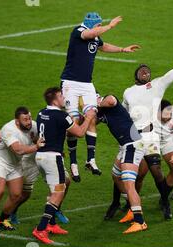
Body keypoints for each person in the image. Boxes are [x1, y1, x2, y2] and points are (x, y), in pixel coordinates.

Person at [60, 12, 140, 182]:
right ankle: (73, 163)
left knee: (91, 116)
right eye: (98, 26)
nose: (98, 30)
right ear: (92, 25)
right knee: (73, 121)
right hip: (71, 84)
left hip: (87, 84)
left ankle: (91, 159)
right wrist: (110, 26)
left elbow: (103, 46)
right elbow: (89, 34)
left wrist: (122, 49)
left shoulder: (95, 37)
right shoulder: (79, 31)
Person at [121, 35, 173, 210]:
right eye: (141, 71)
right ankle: (128, 202)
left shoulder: (157, 85)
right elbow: (124, 114)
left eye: (147, 70)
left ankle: (165, 200)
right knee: (138, 174)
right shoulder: (128, 92)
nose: (145, 71)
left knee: (167, 169)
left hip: (156, 135)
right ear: (136, 76)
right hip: (137, 136)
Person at [32, 87, 95, 244]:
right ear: (55, 100)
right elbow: (79, 133)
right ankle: (40, 229)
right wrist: (88, 118)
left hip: (40, 157)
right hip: (53, 158)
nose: (64, 97)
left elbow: (53, 129)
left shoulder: (41, 113)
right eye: (61, 95)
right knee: (58, 193)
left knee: (65, 181)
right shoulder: (61, 116)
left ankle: (52, 224)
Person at [0, 107, 44, 238]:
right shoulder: (9, 130)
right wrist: (36, 147)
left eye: (29, 118)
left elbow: (36, 138)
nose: (29, 122)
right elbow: (17, 149)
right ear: (17, 121)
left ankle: (1, 220)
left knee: (16, 195)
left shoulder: (33, 126)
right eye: (25, 119)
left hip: (15, 163)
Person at [96, 94, 148, 233]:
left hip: (132, 144)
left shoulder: (108, 100)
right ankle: (133, 207)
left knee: (129, 184)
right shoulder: (100, 113)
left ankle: (140, 221)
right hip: (125, 146)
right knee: (116, 174)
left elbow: (112, 100)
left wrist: (97, 103)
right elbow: (88, 123)